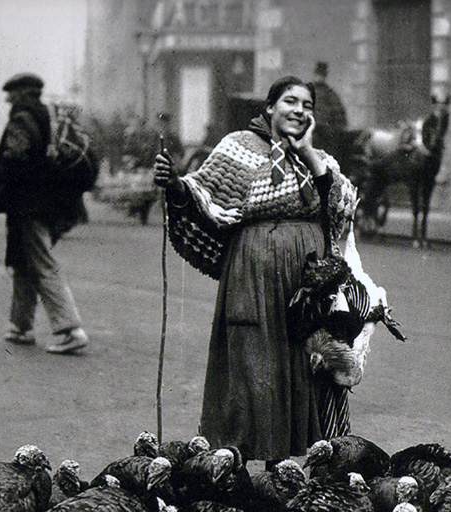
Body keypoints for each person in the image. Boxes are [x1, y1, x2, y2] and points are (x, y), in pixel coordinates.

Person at [153, 75, 359, 467]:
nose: (299, 111)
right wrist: (174, 185)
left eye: (307, 105)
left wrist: (309, 152)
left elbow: (339, 208)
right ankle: (237, 469)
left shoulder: (321, 160)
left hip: (307, 286)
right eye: (289, 102)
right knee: (253, 371)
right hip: (253, 277)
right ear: (269, 107)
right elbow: (202, 194)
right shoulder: (238, 148)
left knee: (302, 371)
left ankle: (281, 472)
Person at [0, 72, 89, 354]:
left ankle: (70, 329)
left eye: (11, 93)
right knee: (24, 260)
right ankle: (20, 325)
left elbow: (15, 161)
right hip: (45, 201)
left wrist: (3, 196)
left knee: (42, 263)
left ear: (20, 94)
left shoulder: (22, 118)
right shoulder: (44, 115)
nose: (7, 98)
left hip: (28, 204)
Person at [310, 62, 348, 165]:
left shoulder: (330, 94)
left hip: (327, 136)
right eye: (318, 74)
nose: (319, 77)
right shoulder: (307, 91)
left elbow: (340, 115)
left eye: (322, 75)